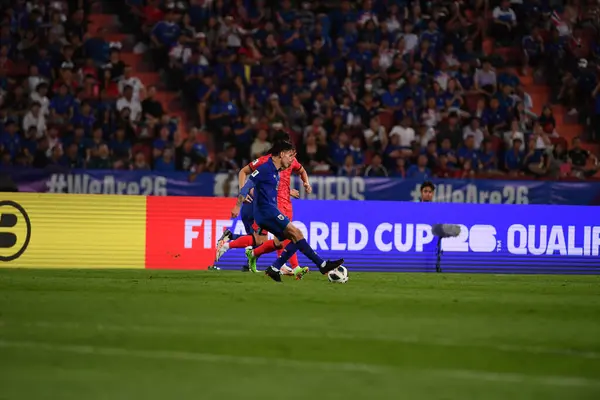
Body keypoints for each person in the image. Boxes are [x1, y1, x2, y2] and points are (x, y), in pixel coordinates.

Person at [236, 140, 344, 282]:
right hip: (266, 212)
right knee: (296, 234)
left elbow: (269, 189)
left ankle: (275, 268)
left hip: (268, 211)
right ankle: (321, 265)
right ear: (281, 154)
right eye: (290, 156)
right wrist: (237, 206)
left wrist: (288, 191)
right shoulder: (264, 168)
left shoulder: (276, 172)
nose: (292, 159)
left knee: (293, 238)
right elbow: (247, 184)